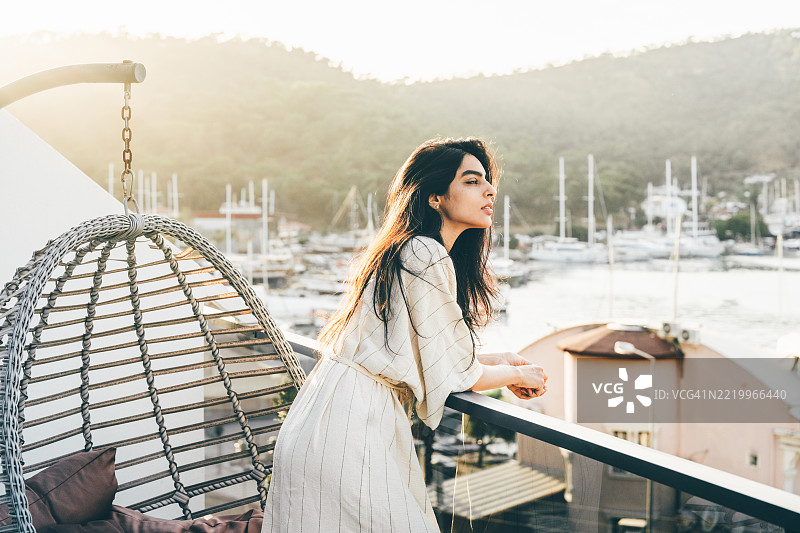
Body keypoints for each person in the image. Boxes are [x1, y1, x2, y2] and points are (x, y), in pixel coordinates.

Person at [261, 137, 547, 532]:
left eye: (487, 181)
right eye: (471, 181)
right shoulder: (425, 255)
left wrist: (501, 360)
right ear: (435, 197)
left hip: (334, 416)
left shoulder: (410, 250)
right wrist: (518, 375)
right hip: (351, 426)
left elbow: (436, 357)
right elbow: (460, 376)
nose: (490, 189)